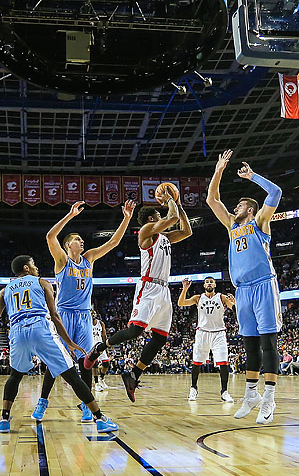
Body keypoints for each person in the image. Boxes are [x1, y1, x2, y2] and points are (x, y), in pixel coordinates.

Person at [0, 255, 116, 433]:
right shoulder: (42, 283)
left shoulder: (5, 291)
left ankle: (4, 419)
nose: (36, 267)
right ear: (26, 268)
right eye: (33, 264)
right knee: (72, 375)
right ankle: (99, 418)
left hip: (17, 331)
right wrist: (69, 342)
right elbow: (55, 316)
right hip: (40, 328)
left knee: (15, 376)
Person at [31, 199, 136, 423]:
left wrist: (126, 218)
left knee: (88, 360)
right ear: (68, 245)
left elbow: (114, 243)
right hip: (63, 315)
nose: (82, 241)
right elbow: (50, 237)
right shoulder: (62, 261)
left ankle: (87, 404)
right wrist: (70, 215)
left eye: (81, 239)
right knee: (56, 361)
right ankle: (42, 402)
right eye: (77, 239)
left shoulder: (89, 259)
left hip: (84, 315)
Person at [84, 191, 192, 403]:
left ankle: (133, 374)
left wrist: (178, 203)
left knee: (161, 337)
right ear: (152, 219)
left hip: (164, 290)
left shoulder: (165, 238)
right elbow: (172, 219)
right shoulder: (146, 232)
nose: (162, 218)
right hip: (149, 287)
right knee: (135, 331)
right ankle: (100, 348)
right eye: (158, 216)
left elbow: (186, 231)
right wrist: (170, 200)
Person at [205, 149, 283, 424]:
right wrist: (219, 170)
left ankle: (270, 398)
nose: (233, 208)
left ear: (250, 210)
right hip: (242, 290)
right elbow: (211, 199)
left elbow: (275, 193)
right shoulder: (230, 226)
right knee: (250, 344)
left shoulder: (260, 221)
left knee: (268, 343)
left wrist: (252, 177)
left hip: (263, 285)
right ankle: (251, 395)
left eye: (238, 206)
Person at [178, 276, 235, 403]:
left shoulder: (221, 297)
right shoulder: (198, 298)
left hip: (219, 333)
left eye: (211, 282)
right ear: (204, 286)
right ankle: (193, 388)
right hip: (202, 332)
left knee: (223, 362)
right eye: (207, 282)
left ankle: (224, 391)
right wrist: (185, 289)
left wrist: (235, 302)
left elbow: (233, 307)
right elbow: (181, 303)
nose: (209, 283)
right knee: (197, 362)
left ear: (215, 285)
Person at [90, 310, 108, 392]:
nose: (92, 316)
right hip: (91, 346)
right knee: (95, 364)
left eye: (93, 314)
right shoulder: (87, 323)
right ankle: (96, 383)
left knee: (106, 364)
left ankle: (102, 378)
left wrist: (106, 345)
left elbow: (104, 335)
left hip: (100, 345)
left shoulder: (101, 323)